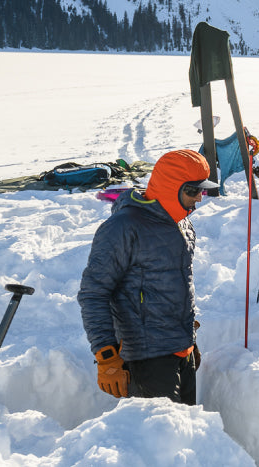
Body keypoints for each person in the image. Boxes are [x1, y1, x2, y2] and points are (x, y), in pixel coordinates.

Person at [78, 149, 217, 404]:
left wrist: (188, 339)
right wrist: (106, 356)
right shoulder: (122, 228)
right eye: (192, 191)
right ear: (171, 188)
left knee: (190, 440)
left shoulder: (182, 224)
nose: (199, 198)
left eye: (202, 190)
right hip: (146, 359)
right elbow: (93, 293)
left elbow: (175, 285)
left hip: (180, 352)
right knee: (162, 441)